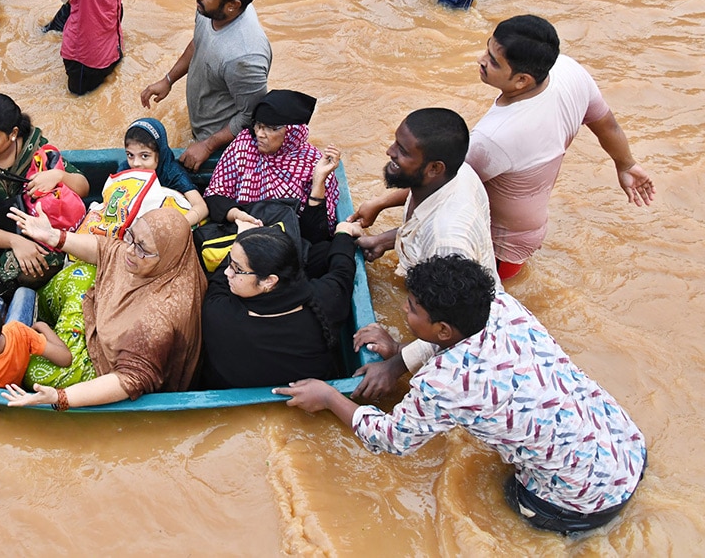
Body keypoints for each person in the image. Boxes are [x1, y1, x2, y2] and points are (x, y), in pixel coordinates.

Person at [275, 255, 647, 536]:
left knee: (503, 502)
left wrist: (328, 398)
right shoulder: (502, 306)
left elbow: (389, 440)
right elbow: (455, 348)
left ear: (442, 329)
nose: (404, 308)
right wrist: (400, 355)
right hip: (625, 446)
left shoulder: (442, 383)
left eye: (412, 307)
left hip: (580, 503)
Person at [467, 15, 656, 277]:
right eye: (487, 48)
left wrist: (388, 207)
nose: (481, 59)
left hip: (496, 244)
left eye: (493, 61)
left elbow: (439, 184)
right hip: (526, 231)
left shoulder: (493, 137)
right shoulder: (568, 70)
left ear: (522, 80)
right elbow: (608, 125)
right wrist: (627, 163)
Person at [348, 107, 495, 397]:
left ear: (434, 168)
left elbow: (457, 328)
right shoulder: (455, 171)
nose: (390, 151)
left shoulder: (447, 241)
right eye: (395, 142)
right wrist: (386, 238)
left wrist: (396, 361)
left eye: (402, 151)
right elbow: (420, 208)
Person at [2, 207, 205, 409]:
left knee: (33, 371)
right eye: (131, 237)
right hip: (103, 325)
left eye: (142, 249)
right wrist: (54, 236)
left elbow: (129, 379)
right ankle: (45, 327)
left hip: (108, 368)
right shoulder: (166, 262)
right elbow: (105, 249)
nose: (130, 249)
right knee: (81, 271)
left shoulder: (158, 320)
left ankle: (41, 329)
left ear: (167, 256)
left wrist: (61, 397)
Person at [140, 0, 271, 171]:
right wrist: (168, 79)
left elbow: (251, 115)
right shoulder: (211, 10)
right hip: (200, 123)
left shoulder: (246, 58)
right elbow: (198, 43)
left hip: (221, 145)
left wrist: (208, 146)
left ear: (232, 5)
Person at [0, 93, 90, 298]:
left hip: (38, 231)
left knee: (46, 259)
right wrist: (16, 242)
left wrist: (58, 175)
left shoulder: (36, 150)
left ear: (13, 133)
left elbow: (84, 187)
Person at [201, 221, 360, 388]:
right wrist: (344, 232)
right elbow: (342, 271)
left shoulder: (219, 314)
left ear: (269, 281)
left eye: (237, 268)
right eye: (229, 262)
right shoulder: (326, 298)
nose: (228, 271)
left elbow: (218, 283)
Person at [204, 90, 341, 242]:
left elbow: (315, 236)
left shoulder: (312, 163)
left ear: (291, 132)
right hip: (240, 232)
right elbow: (215, 195)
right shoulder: (244, 146)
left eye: (270, 128)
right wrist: (239, 216)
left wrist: (319, 181)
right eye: (258, 125)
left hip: (288, 243)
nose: (260, 134)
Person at [118, 117, 208, 226]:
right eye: (130, 155)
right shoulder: (126, 170)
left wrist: (178, 226)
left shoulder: (171, 172)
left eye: (145, 156)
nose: (136, 163)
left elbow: (201, 207)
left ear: (160, 153)